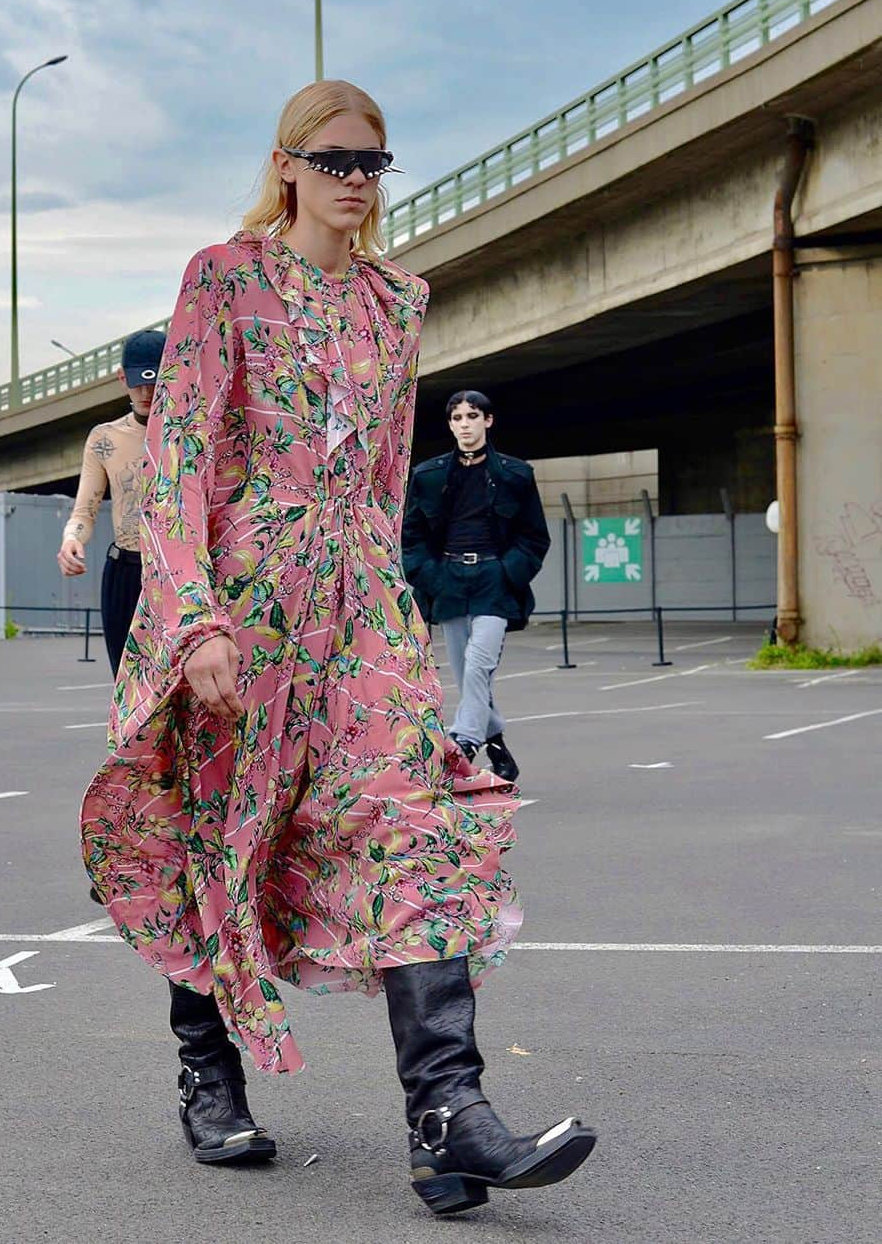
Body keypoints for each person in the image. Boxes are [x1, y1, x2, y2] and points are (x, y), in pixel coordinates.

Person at [79, 80, 594, 1214]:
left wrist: (396, 608)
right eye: (337, 160)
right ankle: (208, 1073)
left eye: (375, 162)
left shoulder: (396, 301)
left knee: (416, 820)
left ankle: (447, 1114)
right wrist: (193, 619)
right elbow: (177, 467)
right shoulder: (225, 279)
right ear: (289, 165)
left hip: (361, 608)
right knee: (224, 827)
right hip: (246, 605)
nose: (357, 181)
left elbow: (374, 473)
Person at [402, 391, 551, 782]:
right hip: (448, 580)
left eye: (472, 415)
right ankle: (497, 743)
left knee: (478, 664)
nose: (464, 423)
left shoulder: (516, 475)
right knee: (465, 669)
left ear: (488, 420)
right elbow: (412, 537)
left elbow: (534, 537)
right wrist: (430, 576)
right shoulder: (428, 475)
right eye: (457, 417)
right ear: (450, 424)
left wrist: (508, 573)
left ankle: (464, 740)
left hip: (494, 581)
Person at [57, 329, 166, 676]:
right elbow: (85, 509)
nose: (147, 392)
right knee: (125, 682)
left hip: (175, 572)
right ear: (123, 378)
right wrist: (71, 539)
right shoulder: (104, 438)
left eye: (155, 380)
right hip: (125, 571)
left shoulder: (191, 432)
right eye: (138, 382)